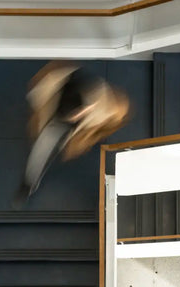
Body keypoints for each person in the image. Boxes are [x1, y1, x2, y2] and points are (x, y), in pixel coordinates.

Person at [16, 61, 130, 205]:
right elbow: (42, 92)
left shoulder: (105, 111)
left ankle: (30, 181)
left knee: (51, 145)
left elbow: (103, 121)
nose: (75, 117)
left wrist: (81, 134)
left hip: (72, 122)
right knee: (42, 149)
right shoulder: (66, 84)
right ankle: (29, 184)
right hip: (58, 116)